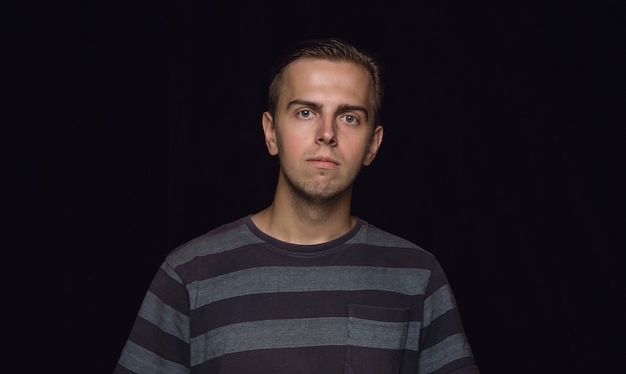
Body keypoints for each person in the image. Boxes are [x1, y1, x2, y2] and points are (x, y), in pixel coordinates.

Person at [113, 38, 480, 374]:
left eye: (349, 117)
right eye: (306, 112)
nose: (327, 133)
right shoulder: (189, 275)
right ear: (271, 132)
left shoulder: (417, 276)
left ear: (373, 143)